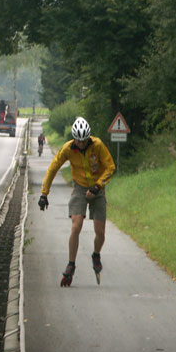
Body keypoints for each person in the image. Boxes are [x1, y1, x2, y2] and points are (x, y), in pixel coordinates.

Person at [37, 117, 115, 286]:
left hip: (97, 189)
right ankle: (71, 264)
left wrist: (98, 186)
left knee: (100, 232)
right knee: (76, 225)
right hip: (80, 188)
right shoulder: (67, 149)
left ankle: (96, 254)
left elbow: (110, 167)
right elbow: (53, 168)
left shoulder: (98, 145)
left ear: (89, 137)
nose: (81, 144)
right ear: (74, 139)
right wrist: (44, 194)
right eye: (78, 141)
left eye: (84, 140)